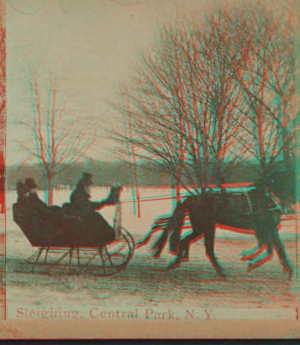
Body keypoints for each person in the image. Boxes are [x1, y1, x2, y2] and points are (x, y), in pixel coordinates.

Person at [65, 173, 119, 246]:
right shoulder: (78, 194)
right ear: (84, 186)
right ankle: (104, 237)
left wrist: (102, 203)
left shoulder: (80, 193)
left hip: (81, 214)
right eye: (89, 186)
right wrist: (102, 203)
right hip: (80, 216)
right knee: (95, 217)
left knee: (96, 216)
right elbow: (86, 207)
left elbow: (88, 205)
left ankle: (106, 236)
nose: (90, 188)